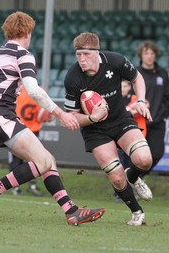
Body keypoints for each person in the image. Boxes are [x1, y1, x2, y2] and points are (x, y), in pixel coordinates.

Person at [0, 11, 104, 226]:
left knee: (47, 160)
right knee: (43, 161)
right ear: (27, 32)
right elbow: (33, 91)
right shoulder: (23, 54)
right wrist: (61, 113)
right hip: (2, 117)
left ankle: (71, 211)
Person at [63, 32, 153, 226]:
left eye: (86, 54)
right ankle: (137, 212)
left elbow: (137, 78)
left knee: (144, 160)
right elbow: (72, 116)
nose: (81, 59)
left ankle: (134, 176)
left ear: (97, 52)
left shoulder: (115, 61)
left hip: (120, 119)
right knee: (116, 178)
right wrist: (91, 117)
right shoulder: (72, 77)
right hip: (94, 130)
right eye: (78, 54)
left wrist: (139, 101)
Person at [8, 86, 53, 196]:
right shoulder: (16, 90)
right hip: (17, 130)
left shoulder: (39, 90)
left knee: (35, 160)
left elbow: (46, 111)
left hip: (32, 129)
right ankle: (15, 187)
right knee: (16, 161)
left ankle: (31, 185)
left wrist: (47, 116)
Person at [136, 41, 169, 175]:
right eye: (146, 53)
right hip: (138, 122)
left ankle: (137, 178)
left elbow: (168, 97)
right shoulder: (135, 74)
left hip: (157, 122)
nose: (149, 56)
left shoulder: (162, 74)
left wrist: (164, 114)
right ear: (141, 55)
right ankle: (127, 185)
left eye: (152, 53)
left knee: (157, 154)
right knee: (135, 156)